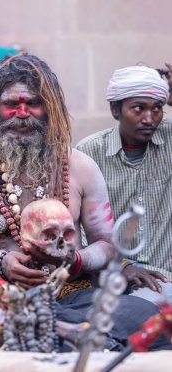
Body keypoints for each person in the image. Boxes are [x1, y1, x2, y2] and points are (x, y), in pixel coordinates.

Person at [0, 54, 166, 351]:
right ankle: (52, 333)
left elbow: (107, 244)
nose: (22, 114)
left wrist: (75, 260)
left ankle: (22, 333)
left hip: (70, 293)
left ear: (49, 109)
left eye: (33, 103)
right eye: (11, 104)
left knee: (146, 312)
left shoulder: (80, 167)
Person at [77, 65, 172, 304]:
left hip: (164, 279)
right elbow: (77, 228)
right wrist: (121, 266)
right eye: (138, 108)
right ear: (115, 109)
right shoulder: (89, 153)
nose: (149, 119)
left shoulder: (169, 138)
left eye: (157, 108)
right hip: (108, 278)